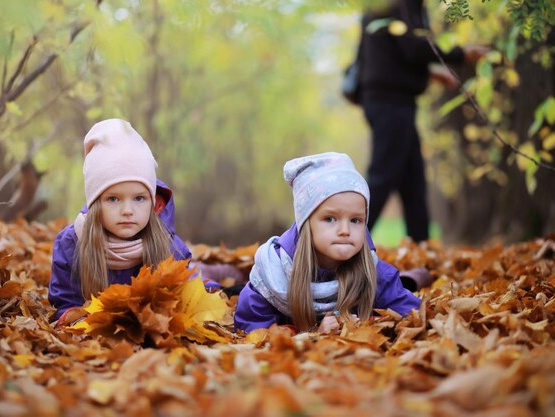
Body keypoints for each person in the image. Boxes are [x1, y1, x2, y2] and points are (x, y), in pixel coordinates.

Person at [48, 118, 218, 325]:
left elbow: (185, 296)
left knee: (212, 280)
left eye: (139, 198)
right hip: (101, 337)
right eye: (113, 199)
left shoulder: (170, 247)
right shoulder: (72, 245)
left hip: (150, 337)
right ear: (95, 203)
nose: (127, 211)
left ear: (152, 202)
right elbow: (66, 304)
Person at [234, 152, 421, 334]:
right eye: (330, 219)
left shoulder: (373, 273)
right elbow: (253, 330)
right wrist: (311, 334)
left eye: (355, 220)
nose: (345, 230)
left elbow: (411, 314)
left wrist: (369, 323)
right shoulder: (273, 278)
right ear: (306, 223)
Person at [360, 0, 489, 242]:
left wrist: (429, 73)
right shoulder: (400, 4)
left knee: (413, 183)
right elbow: (413, 47)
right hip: (390, 103)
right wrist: (460, 54)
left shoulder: (379, 6)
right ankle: (340, 247)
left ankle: (420, 250)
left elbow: (387, 53)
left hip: (392, 101)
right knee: (382, 178)